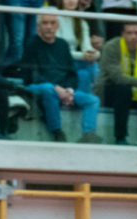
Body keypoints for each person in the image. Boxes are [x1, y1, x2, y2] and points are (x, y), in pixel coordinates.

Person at [23, 12, 102, 143]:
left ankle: (88, 134)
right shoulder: (31, 44)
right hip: (37, 87)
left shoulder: (62, 45)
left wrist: (69, 91)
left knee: (93, 100)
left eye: (52, 23)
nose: (49, 27)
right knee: (49, 88)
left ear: (57, 26)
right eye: (45, 23)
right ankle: (57, 132)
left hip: (62, 90)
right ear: (38, 27)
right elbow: (31, 75)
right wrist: (56, 88)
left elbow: (71, 73)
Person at [97, 21, 137, 145]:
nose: (133, 36)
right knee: (123, 89)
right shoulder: (111, 46)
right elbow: (117, 77)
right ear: (122, 34)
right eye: (129, 33)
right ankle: (120, 138)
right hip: (109, 92)